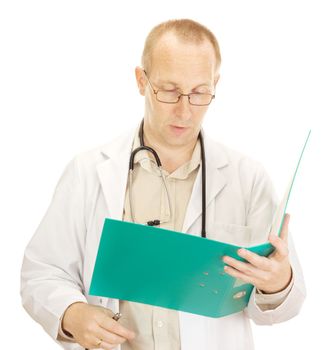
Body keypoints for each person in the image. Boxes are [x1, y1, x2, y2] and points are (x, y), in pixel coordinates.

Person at [21, 19, 306, 350]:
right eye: (169, 90)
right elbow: (40, 273)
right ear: (142, 80)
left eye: (200, 92)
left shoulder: (248, 179)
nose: (184, 110)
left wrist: (277, 282)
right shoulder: (87, 172)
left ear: (215, 84)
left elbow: (280, 308)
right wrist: (71, 314)